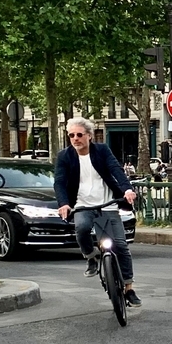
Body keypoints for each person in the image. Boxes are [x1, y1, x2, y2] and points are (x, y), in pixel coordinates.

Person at [54, 117, 142, 308]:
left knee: (121, 246)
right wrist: (64, 203)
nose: (75, 139)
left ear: (89, 136)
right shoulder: (65, 156)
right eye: (71, 135)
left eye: (79, 135)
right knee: (82, 228)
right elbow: (59, 182)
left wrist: (126, 189)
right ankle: (90, 257)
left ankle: (129, 288)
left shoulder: (101, 150)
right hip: (82, 205)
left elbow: (115, 169)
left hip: (107, 205)